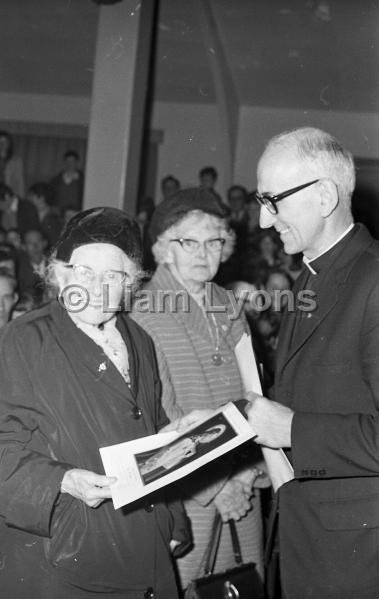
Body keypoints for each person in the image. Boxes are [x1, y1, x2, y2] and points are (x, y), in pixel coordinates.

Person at [0, 207, 190, 598]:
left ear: (130, 284)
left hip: (146, 542)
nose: (97, 287)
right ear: (60, 275)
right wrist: (62, 481)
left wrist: (172, 521)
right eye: (84, 272)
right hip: (66, 552)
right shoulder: (24, 340)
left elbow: (153, 431)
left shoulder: (139, 340)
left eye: (113, 275)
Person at [246, 127, 379, 598]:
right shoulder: (312, 276)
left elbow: (298, 422)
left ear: (324, 196)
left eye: (273, 201)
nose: (264, 221)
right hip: (311, 540)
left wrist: (291, 430)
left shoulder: (373, 281)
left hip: (356, 560)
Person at [132, 188, 267, 591]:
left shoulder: (229, 304)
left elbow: (255, 396)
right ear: (161, 247)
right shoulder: (143, 310)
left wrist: (246, 475)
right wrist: (217, 487)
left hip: (244, 486)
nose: (203, 252)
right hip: (188, 498)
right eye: (188, 241)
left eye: (214, 241)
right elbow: (157, 418)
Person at [139, 425, 226, 482]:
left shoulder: (197, 444)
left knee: (162, 464)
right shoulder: (191, 437)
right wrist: (171, 450)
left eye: (212, 436)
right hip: (174, 450)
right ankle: (144, 468)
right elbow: (180, 443)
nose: (209, 436)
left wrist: (186, 454)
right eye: (211, 434)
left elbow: (192, 452)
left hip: (179, 454)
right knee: (159, 459)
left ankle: (146, 472)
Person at [28, 182, 63, 247]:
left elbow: (54, 241)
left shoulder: (54, 217)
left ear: (41, 198)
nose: (29, 199)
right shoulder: (32, 214)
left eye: (31, 196)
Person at [50, 149, 84, 214]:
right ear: (64, 162)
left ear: (77, 163)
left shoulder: (84, 181)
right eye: (67, 161)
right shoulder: (55, 180)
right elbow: (50, 196)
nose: (70, 164)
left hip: (77, 213)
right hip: (58, 214)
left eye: (72, 161)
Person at [0, 130, 25, 198]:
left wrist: (20, 198)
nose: (2, 144)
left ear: (9, 144)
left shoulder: (17, 161)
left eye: (5, 142)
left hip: (9, 195)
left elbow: (20, 182)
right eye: (0, 141)